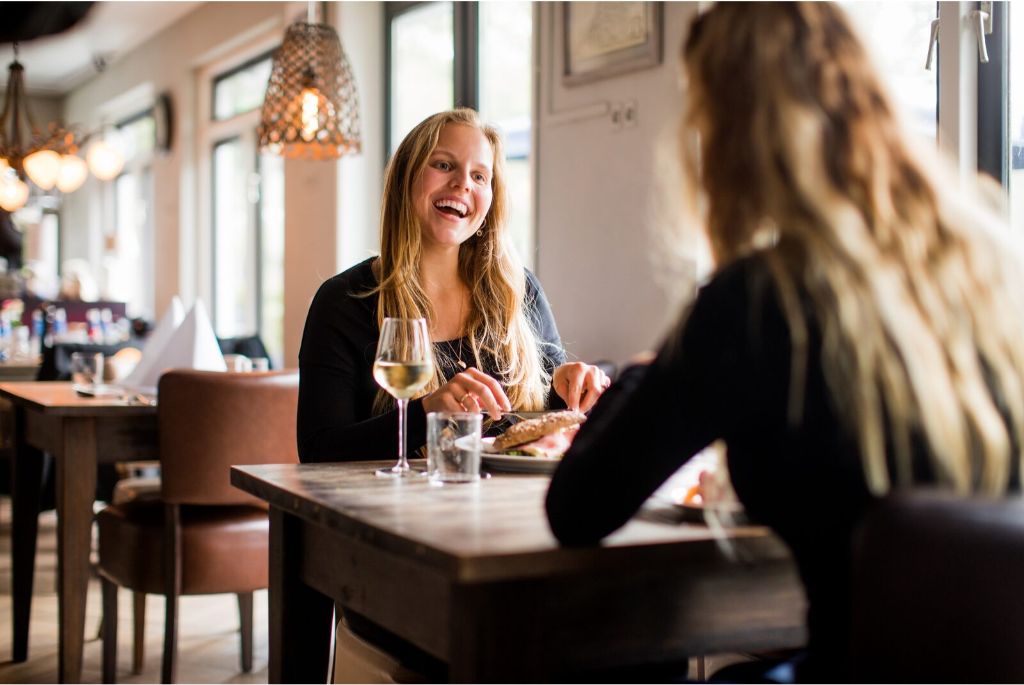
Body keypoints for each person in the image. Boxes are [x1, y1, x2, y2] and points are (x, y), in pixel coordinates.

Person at [545, 3, 1024, 682]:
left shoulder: (760, 301)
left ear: (732, 133)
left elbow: (577, 508)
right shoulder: (983, 264)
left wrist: (643, 372)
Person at [298, 106, 610, 461]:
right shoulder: (344, 300)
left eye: (479, 176)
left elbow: (546, 418)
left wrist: (570, 386)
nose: (463, 183)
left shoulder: (521, 291)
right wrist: (426, 412)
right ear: (405, 179)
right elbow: (317, 451)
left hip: (512, 496)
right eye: (444, 165)